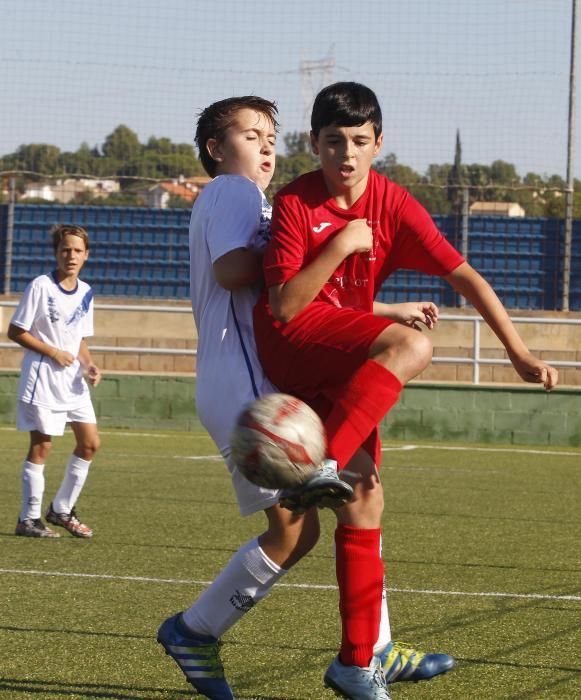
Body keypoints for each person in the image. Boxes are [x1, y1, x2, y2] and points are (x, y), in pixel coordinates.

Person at [253, 81, 558, 699]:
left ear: (379, 144)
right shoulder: (294, 203)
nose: (346, 154)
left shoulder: (393, 203)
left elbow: (466, 277)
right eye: (332, 142)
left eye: (359, 142)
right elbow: (285, 307)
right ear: (312, 144)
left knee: (365, 502)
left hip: (350, 360)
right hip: (293, 350)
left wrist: (517, 351)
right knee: (412, 344)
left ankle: (356, 663)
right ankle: (324, 463)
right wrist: (341, 242)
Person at [156, 96, 450, 700]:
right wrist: (322, 243)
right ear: (216, 150)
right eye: (250, 135)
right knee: (295, 531)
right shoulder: (232, 192)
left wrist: (378, 301)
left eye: (271, 137)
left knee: (360, 494)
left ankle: (375, 647)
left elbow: (297, 292)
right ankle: (194, 630)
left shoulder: (250, 199)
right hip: (247, 385)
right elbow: (236, 271)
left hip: (246, 375)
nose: (266, 147)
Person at [9, 223, 101, 539]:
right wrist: (52, 352)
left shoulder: (87, 292)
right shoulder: (40, 286)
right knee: (42, 445)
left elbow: (80, 340)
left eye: (77, 250)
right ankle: (28, 518)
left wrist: (89, 366)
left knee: (90, 444)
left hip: (73, 383)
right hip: (43, 379)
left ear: (86, 255)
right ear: (56, 253)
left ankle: (62, 509)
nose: (71, 256)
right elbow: (16, 330)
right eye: (65, 250)